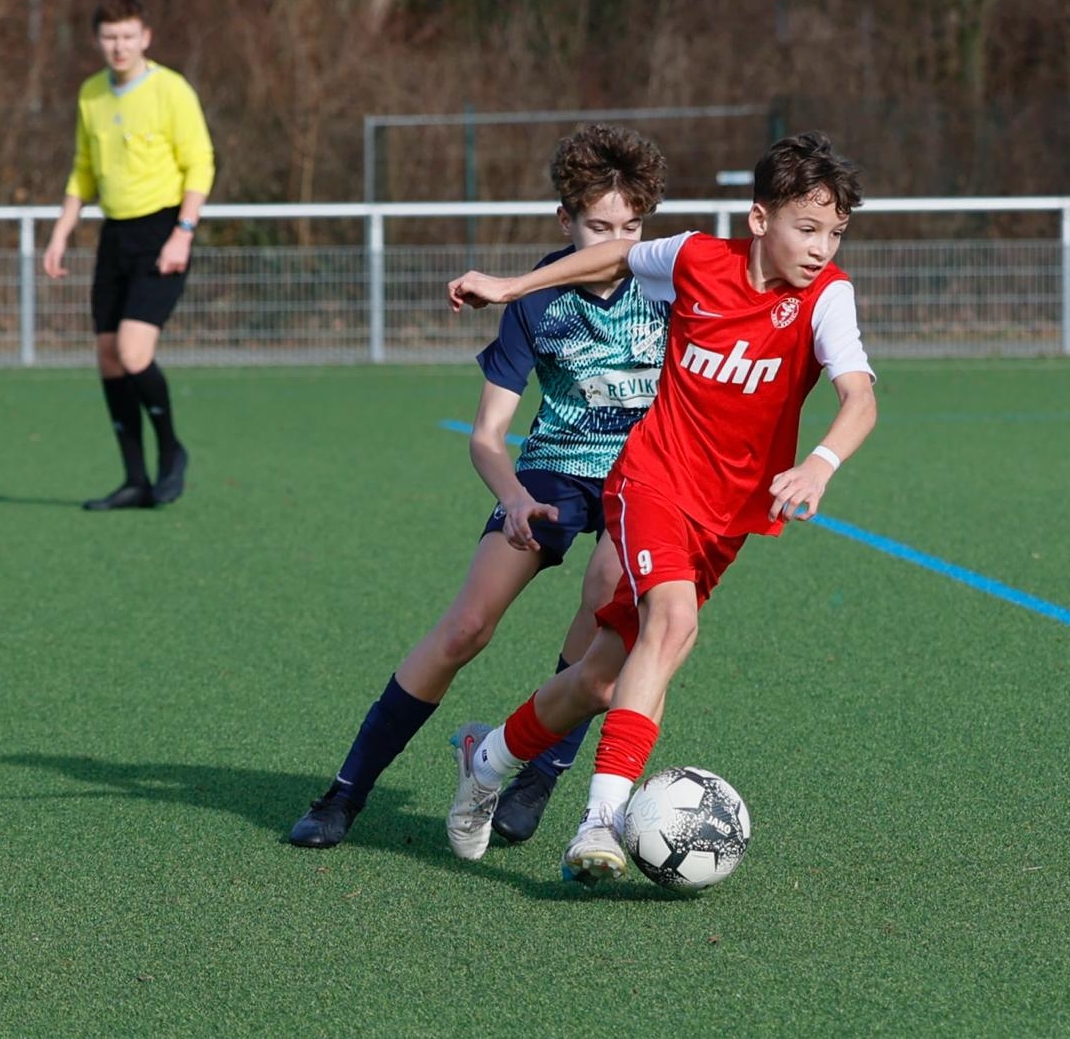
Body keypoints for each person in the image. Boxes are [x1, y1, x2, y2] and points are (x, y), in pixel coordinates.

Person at [442, 131, 878, 883]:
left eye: (834, 233)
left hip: (724, 520)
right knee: (672, 624)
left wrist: (820, 463)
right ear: (759, 219)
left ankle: (486, 760)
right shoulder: (695, 259)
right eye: (807, 228)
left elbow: (860, 397)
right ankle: (601, 822)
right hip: (651, 481)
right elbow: (615, 256)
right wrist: (513, 287)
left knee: (600, 680)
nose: (820, 248)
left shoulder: (827, 296)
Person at [288, 124, 670, 849]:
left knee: (606, 601)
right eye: (599, 226)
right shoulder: (535, 300)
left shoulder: (668, 282)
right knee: (466, 627)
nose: (617, 243)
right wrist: (517, 498)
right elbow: (488, 437)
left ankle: (537, 775)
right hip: (554, 469)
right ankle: (343, 795)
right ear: (564, 220)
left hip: (645, 475)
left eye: (631, 227)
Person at [42, 0, 214, 511]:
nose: (119, 46)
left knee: (134, 352)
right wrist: (62, 230)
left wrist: (183, 231)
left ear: (145, 38)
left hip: (162, 231)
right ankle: (135, 479)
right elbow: (83, 168)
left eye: (128, 36)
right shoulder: (92, 94)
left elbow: (200, 162)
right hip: (114, 235)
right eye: (110, 37)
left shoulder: (171, 89)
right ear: (98, 41)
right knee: (108, 357)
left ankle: (172, 453)